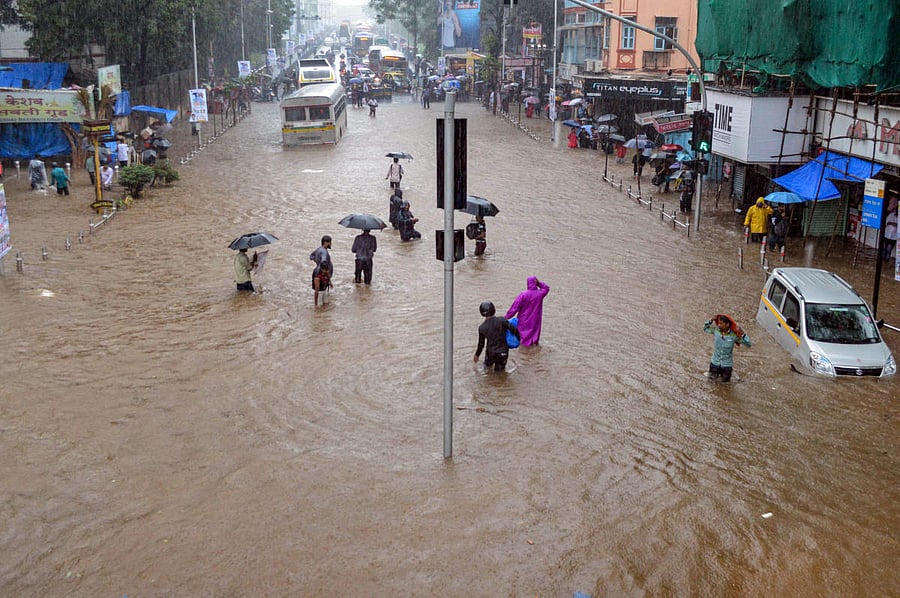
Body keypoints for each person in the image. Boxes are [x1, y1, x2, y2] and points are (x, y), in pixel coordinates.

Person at [473, 301, 520, 372]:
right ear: (493, 309)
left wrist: (477, 355)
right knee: (500, 374)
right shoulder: (502, 320)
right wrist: (519, 339)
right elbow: (514, 330)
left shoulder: (482, 327)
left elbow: (481, 344)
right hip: (503, 352)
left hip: (490, 353)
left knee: (487, 369)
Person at [704, 314, 751, 382]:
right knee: (710, 382)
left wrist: (743, 334)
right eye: (719, 323)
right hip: (714, 363)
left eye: (721, 323)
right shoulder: (716, 330)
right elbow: (705, 328)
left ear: (727, 324)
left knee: (725, 385)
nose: (719, 325)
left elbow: (748, 344)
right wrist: (711, 320)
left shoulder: (734, 336)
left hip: (726, 366)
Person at [505, 276, 551, 346]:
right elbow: (546, 288)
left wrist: (505, 318)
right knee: (534, 337)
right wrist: (539, 283)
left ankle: (523, 354)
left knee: (522, 338)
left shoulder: (523, 295)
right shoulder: (540, 294)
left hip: (523, 319)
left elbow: (514, 308)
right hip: (535, 320)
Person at [882, 196, 898, 261]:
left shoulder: (898, 217)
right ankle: (883, 259)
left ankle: (887, 259)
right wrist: (892, 224)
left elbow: (897, 225)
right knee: (884, 248)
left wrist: (892, 224)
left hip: (893, 236)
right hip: (887, 234)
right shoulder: (890, 214)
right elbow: (886, 222)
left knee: (889, 249)